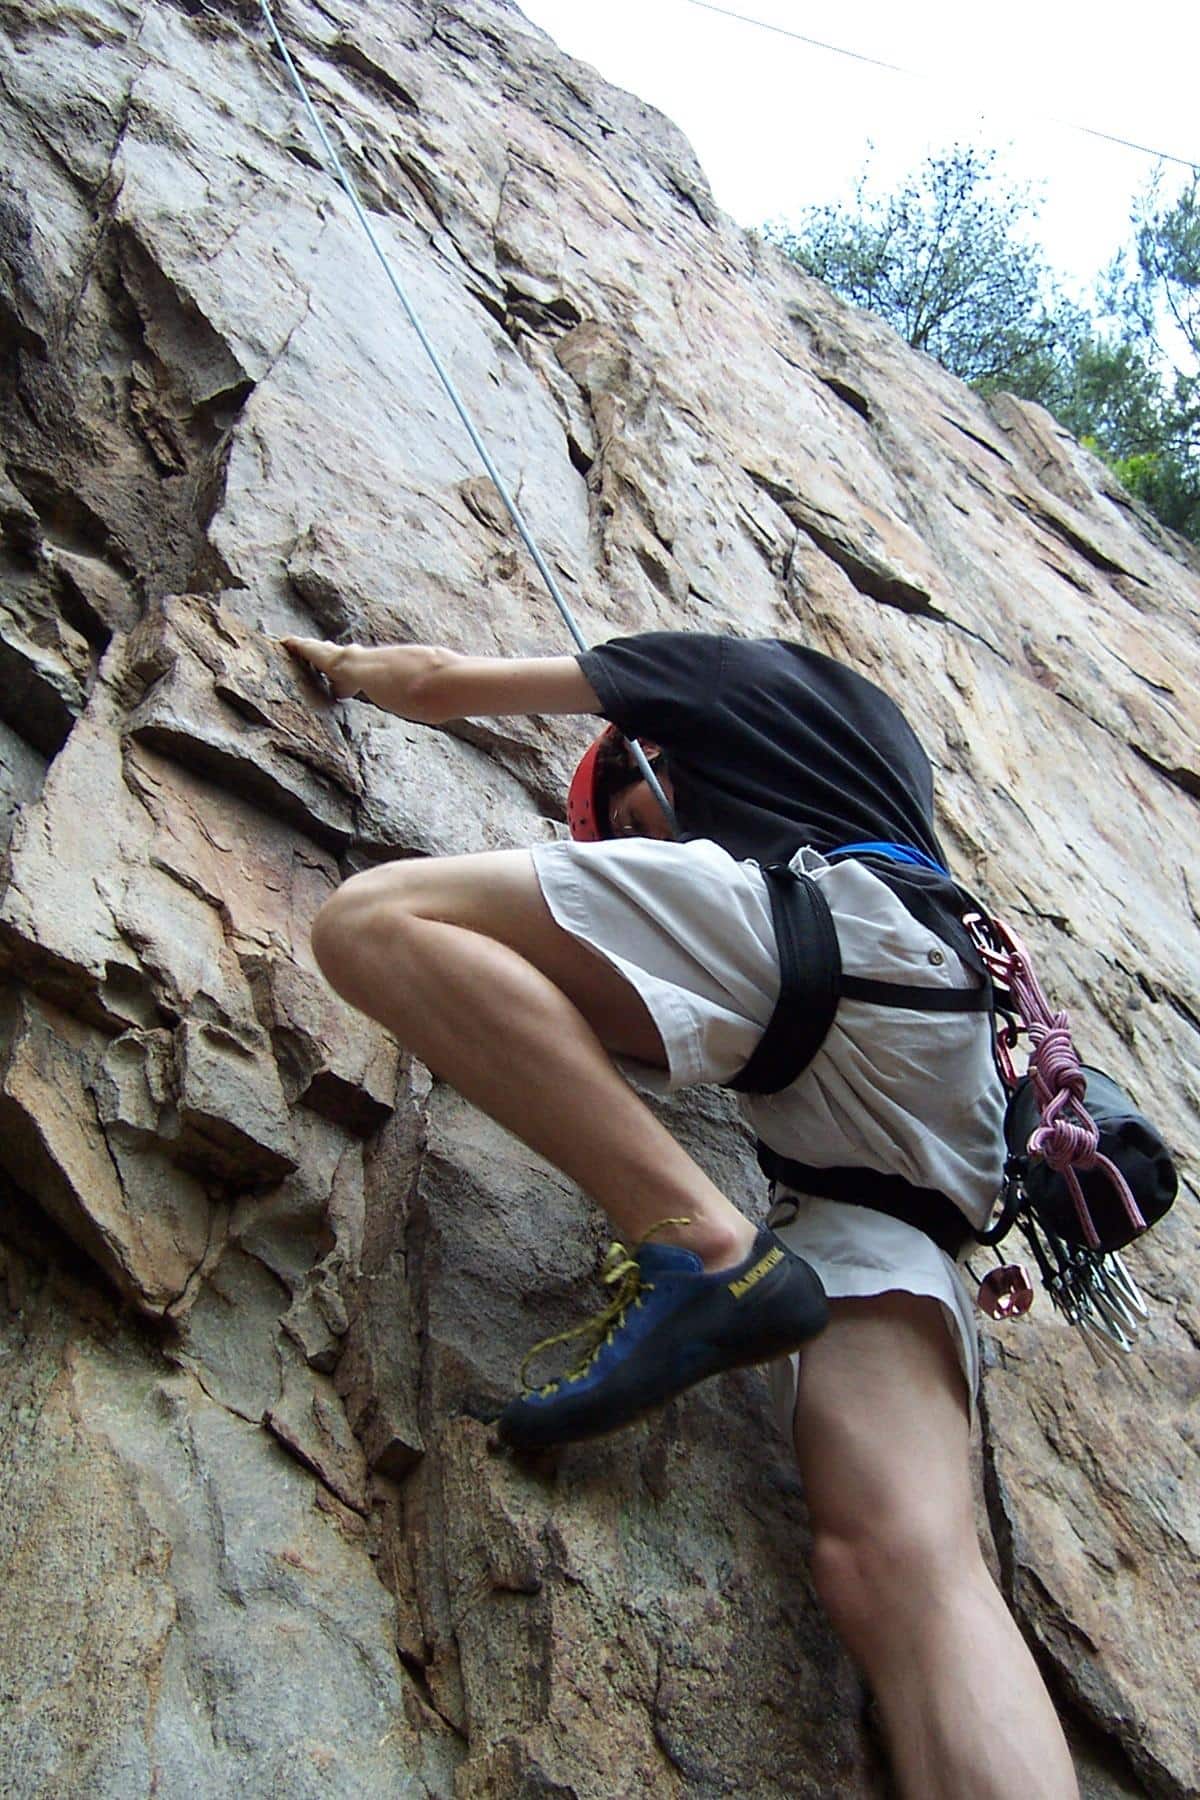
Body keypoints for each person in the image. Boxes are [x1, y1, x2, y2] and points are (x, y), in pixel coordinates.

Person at [283, 627, 1079, 1800]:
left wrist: (345, 667)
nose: (649, 853)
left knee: (374, 923)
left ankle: (705, 1245)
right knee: (904, 1568)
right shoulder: (876, 759)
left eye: (636, 829)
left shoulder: (721, 678)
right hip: (930, 1122)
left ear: (647, 760)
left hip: (832, 946)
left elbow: (444, 684)